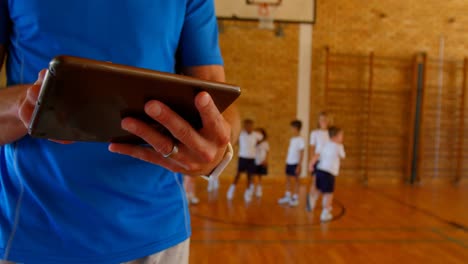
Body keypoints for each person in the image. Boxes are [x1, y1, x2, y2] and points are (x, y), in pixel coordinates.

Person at [0, 0, 240, 263]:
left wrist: (216, 148)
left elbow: (217, 97)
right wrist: (38, 101)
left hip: (157, 236)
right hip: (31, 233)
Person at [308, 126, 346, 222]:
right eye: (341, 135)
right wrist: (340, 147)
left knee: (319, 188)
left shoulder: (325, 144)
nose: (342, 137)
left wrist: (311, 164)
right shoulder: (339, 146)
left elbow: (317, 155)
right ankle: (325, 213)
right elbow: (343, 156)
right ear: (335, 137)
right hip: (329, 173)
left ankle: (312, 200)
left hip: (320, 170)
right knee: (329, 194)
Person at [226, 119, 263, 202]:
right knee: (238, 175)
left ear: (252, 127)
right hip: (242, 158)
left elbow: (262, 138)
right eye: (247, 126)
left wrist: (257, 144)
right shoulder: (241, 134)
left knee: (250, 176)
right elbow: (235, 141)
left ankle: (247, 192)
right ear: (244, 126)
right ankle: (231, 189)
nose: (248, 127)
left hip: (251, 158)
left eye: (250, 126)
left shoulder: (256, 135)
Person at [278, 120, 305, 207]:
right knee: (288, 178)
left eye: (292, 128)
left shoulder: (301, 140)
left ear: (297, 129)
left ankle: (295, 197)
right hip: (289, 162)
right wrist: (287, 162)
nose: (291, 130)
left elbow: (301, 153)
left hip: (295, 163)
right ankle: (288, 196)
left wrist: (299, 165)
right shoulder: (292, 139)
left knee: (296, 180)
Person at [307, 111, 330, 211]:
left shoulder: (331, 133)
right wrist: (312, 161)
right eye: (321, 119)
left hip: (328, 162)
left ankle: (321, 201)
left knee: (324, 184)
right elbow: (312, 148)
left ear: (328, 121)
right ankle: (311, 201)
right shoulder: (314, 133)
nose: (323, 121)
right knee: (315, 181)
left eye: (325, 119)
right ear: (318, 121)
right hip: (317, 161)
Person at [253, 128, 269, 198]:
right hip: (254, 161)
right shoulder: (254, 142)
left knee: (260, 176)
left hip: (261, 161)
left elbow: (267, 152)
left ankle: (259, 189)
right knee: (252, 175)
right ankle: (251, 188)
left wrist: (265, 160)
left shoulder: (265, 143)